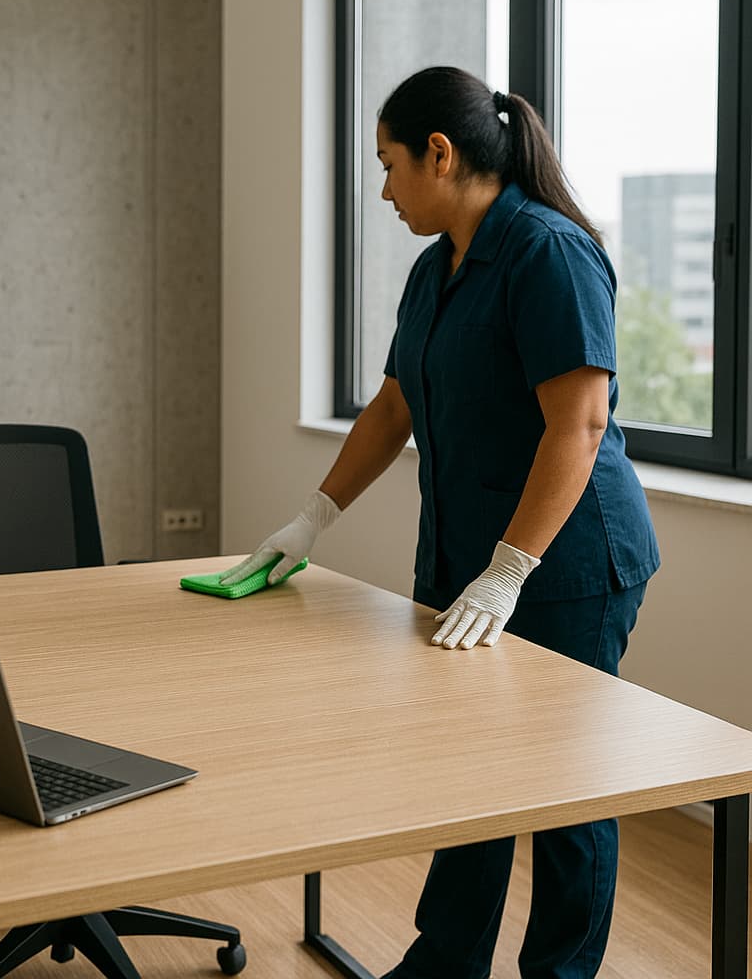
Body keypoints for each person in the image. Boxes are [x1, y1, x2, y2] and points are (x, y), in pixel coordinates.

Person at [219, 66, 660, 979]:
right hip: (467, 555)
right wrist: (313, 517)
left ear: (441, 154)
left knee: (564, 789)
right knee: (468, 772)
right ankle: (446, 963)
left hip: (570, 561)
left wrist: (509, 571)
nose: (382, 190)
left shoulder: (548, 252)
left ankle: (562, 971)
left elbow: (576, 427)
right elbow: (393, 407)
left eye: (388, 166)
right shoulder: (436, 268)